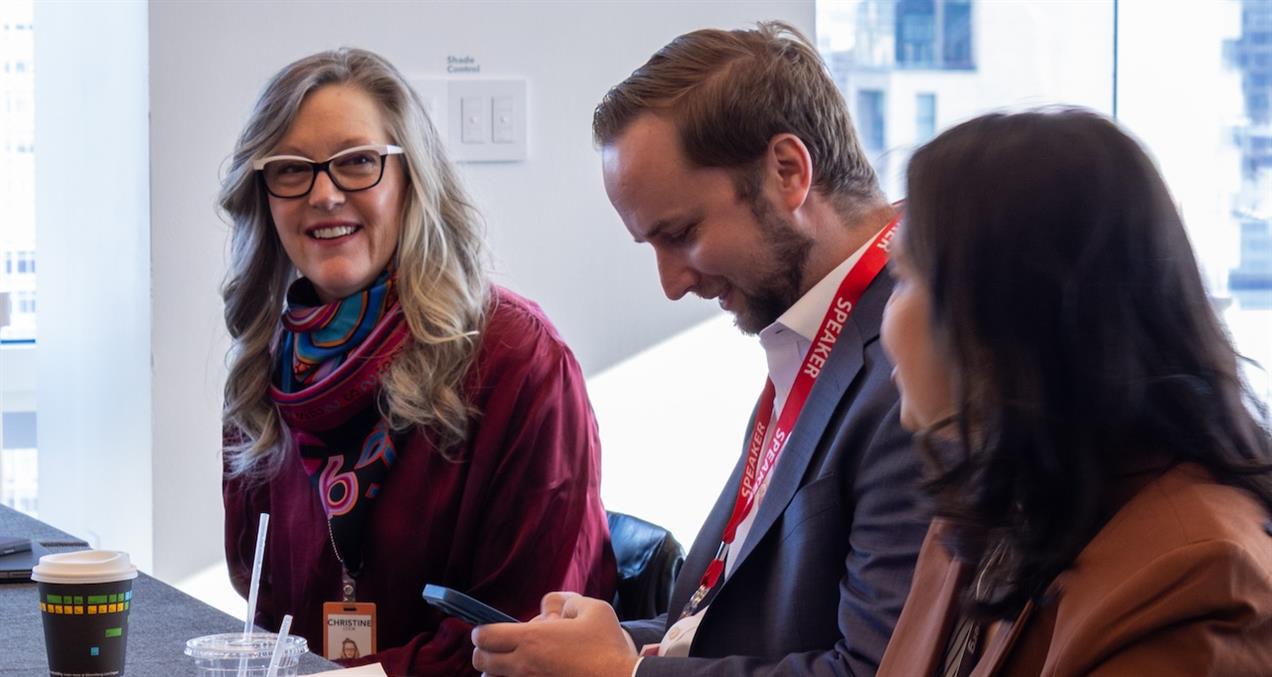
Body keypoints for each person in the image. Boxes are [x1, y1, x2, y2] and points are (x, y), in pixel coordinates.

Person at [473, 21, 929, 676]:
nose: (671, 284)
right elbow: (723, 624)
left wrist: (627, 673)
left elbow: (872, 669)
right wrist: (598, 649)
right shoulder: (813, 332)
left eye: (681, 233)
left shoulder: (918, 367)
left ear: (788, 171)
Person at [217, 48, 616, 675]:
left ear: (412, 180)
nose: (324, 194)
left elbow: (525, 636)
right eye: (291, 170)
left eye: (357, 162)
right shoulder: (263, 373)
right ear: (263, 196)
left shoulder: (519, 361)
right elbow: (262, 605)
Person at [875, 109, 1272, 675]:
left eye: (901, 278)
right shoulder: (989, 504)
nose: (884, 322)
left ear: (1007, 313)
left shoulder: (1196, 577)